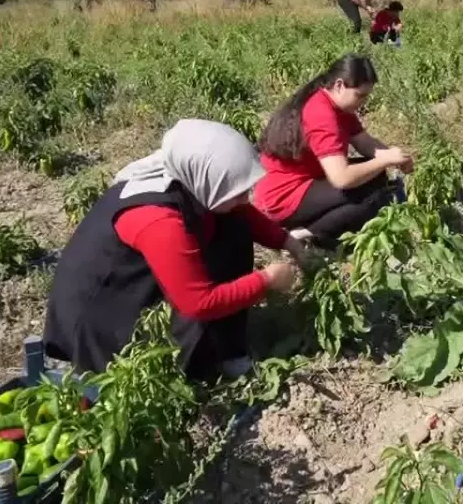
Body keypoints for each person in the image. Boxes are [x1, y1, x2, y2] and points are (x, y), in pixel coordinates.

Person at [43, 119, 308, 382]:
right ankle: (192, 370)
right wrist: (266, 281)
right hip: (102, 324)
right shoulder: (160, 221)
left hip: (132, 289)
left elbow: (239, 211)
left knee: (234, 227)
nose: (245, 198)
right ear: (207, 180)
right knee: (192, 326)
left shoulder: (189, 179)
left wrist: (288, 243)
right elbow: (198, 304)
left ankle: (228, 351)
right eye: (237, 191)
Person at [254, 54, 413, 250]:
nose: (364, 101)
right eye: (360, 95)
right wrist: (384, 161)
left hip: (306, 182)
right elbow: (341, 178)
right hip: (283, 196)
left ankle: (313, 229)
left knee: (375, 178)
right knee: (371, 198)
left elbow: (364, 143)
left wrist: (394, 157)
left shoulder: (338, 107)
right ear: (339, 85)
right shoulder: (322, 114)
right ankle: (307, 235)